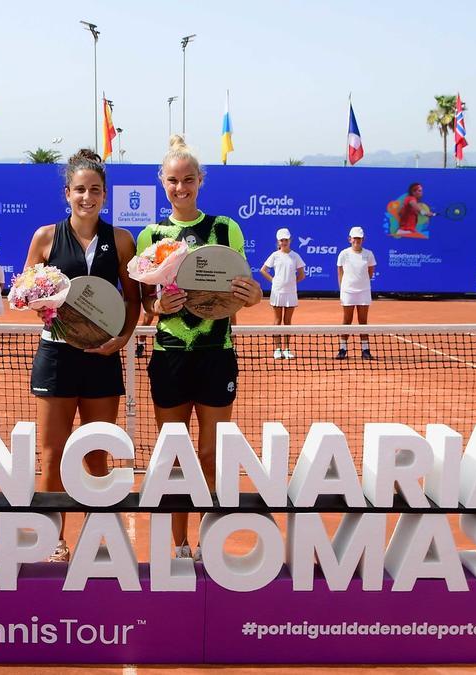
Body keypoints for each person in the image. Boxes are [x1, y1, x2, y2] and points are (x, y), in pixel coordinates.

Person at [137, 135, 262, 559]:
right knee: (173, 455)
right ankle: (179, 545)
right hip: (170, 355)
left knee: (210, 453)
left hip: (215, 355)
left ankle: (208, 542)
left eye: (188, 179)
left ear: (201, 181)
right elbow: (145, 303)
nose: (180, 188)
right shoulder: (151, 235)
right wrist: (158, 304)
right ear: (162, 183)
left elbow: (247, 294)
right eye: (173, 181)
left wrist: (251, 294)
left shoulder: (226, 228)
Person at [22, 148, 140, 562]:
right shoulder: (46, 237)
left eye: (94, 190)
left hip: (102, 358)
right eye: (79, 190)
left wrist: (123, 338)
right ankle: (53, 538)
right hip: (56, 357)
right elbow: (23, 291)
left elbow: (133, 296)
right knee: (52, 453)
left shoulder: (121, 240)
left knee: (95, 454)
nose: (86, 197)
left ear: (104, 195)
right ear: (66, 193)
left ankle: (98, 537)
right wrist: (34, 301)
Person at [259, 227, 306, 359]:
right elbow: (263, 270)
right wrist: (273, 281)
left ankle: (286, 349)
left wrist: (291, 282)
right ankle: (277, 349)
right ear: (278, 242)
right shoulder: (275, 255)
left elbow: (302, 275)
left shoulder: (295, 256)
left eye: (286, 240)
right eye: (281, 240)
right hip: (277, 292)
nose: (284, 242)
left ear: (290, 240)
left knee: (287, 321)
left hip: (290, 293)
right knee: (277, 320)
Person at [336, 226, 376, 360]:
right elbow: (340, 273)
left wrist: (362, 283)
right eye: (354, 238)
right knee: (346, 320)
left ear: (363, 239)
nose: (357, 240)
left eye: (359, 238)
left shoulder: (369, 254)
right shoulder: (343, 254)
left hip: (363, 291)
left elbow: (370, 272)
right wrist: (342, 289)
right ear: (350, 239)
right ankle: (342, 348)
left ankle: (365, 350)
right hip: (348, 292)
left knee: (363, 321)